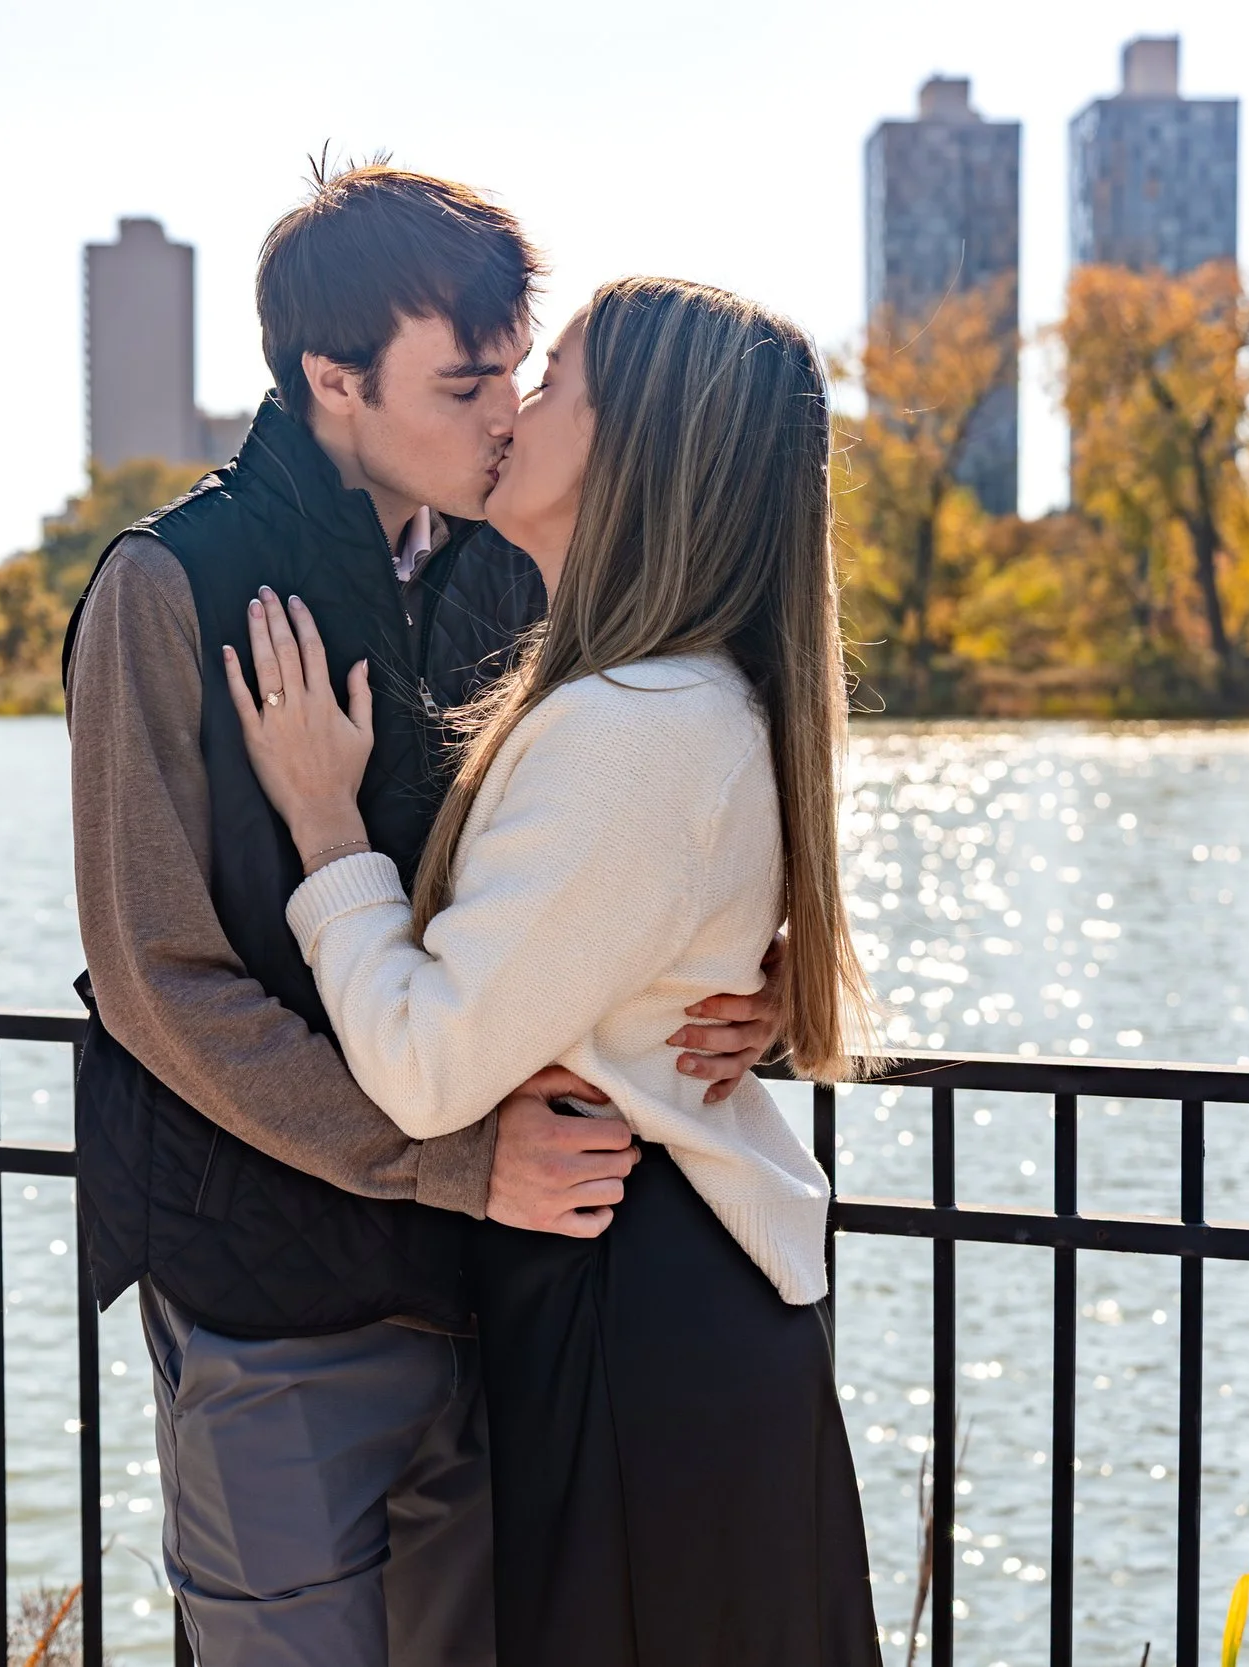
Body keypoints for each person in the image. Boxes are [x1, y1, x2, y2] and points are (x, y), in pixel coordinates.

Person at [62, 168, 788, 1667]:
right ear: (333, 377)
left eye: (520, 377)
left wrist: (741, 977)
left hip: (499, 1291)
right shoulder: (165, 587)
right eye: (465, 386)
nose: (507, 416)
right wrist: (449, 1157)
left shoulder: (509, 573)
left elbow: (597, 866)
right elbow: (155, 979)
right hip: (277, 1300)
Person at [227, 274, 885, 1664]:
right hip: (653, 1299)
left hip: (632, 1312)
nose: (518, 407)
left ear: (635, 445)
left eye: (557, 381)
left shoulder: (633, 721)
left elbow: (424, 1067)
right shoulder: (674, 694)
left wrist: (325, 828)